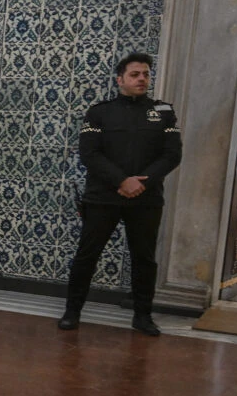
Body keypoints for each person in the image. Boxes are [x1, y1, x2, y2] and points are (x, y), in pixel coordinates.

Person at [59, 53, 182, 335]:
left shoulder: (164, 112)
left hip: (146, 198)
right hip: (103, 197)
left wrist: (143, 182)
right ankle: (72, 311)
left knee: (144, 259)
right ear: (120, 80)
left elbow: (172, 154)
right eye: (135, 74)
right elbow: (90, 154)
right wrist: (121, 180)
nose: (142, 79)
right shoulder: (99, 112)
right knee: (87, 255)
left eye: (146, 74)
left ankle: (142, 316)